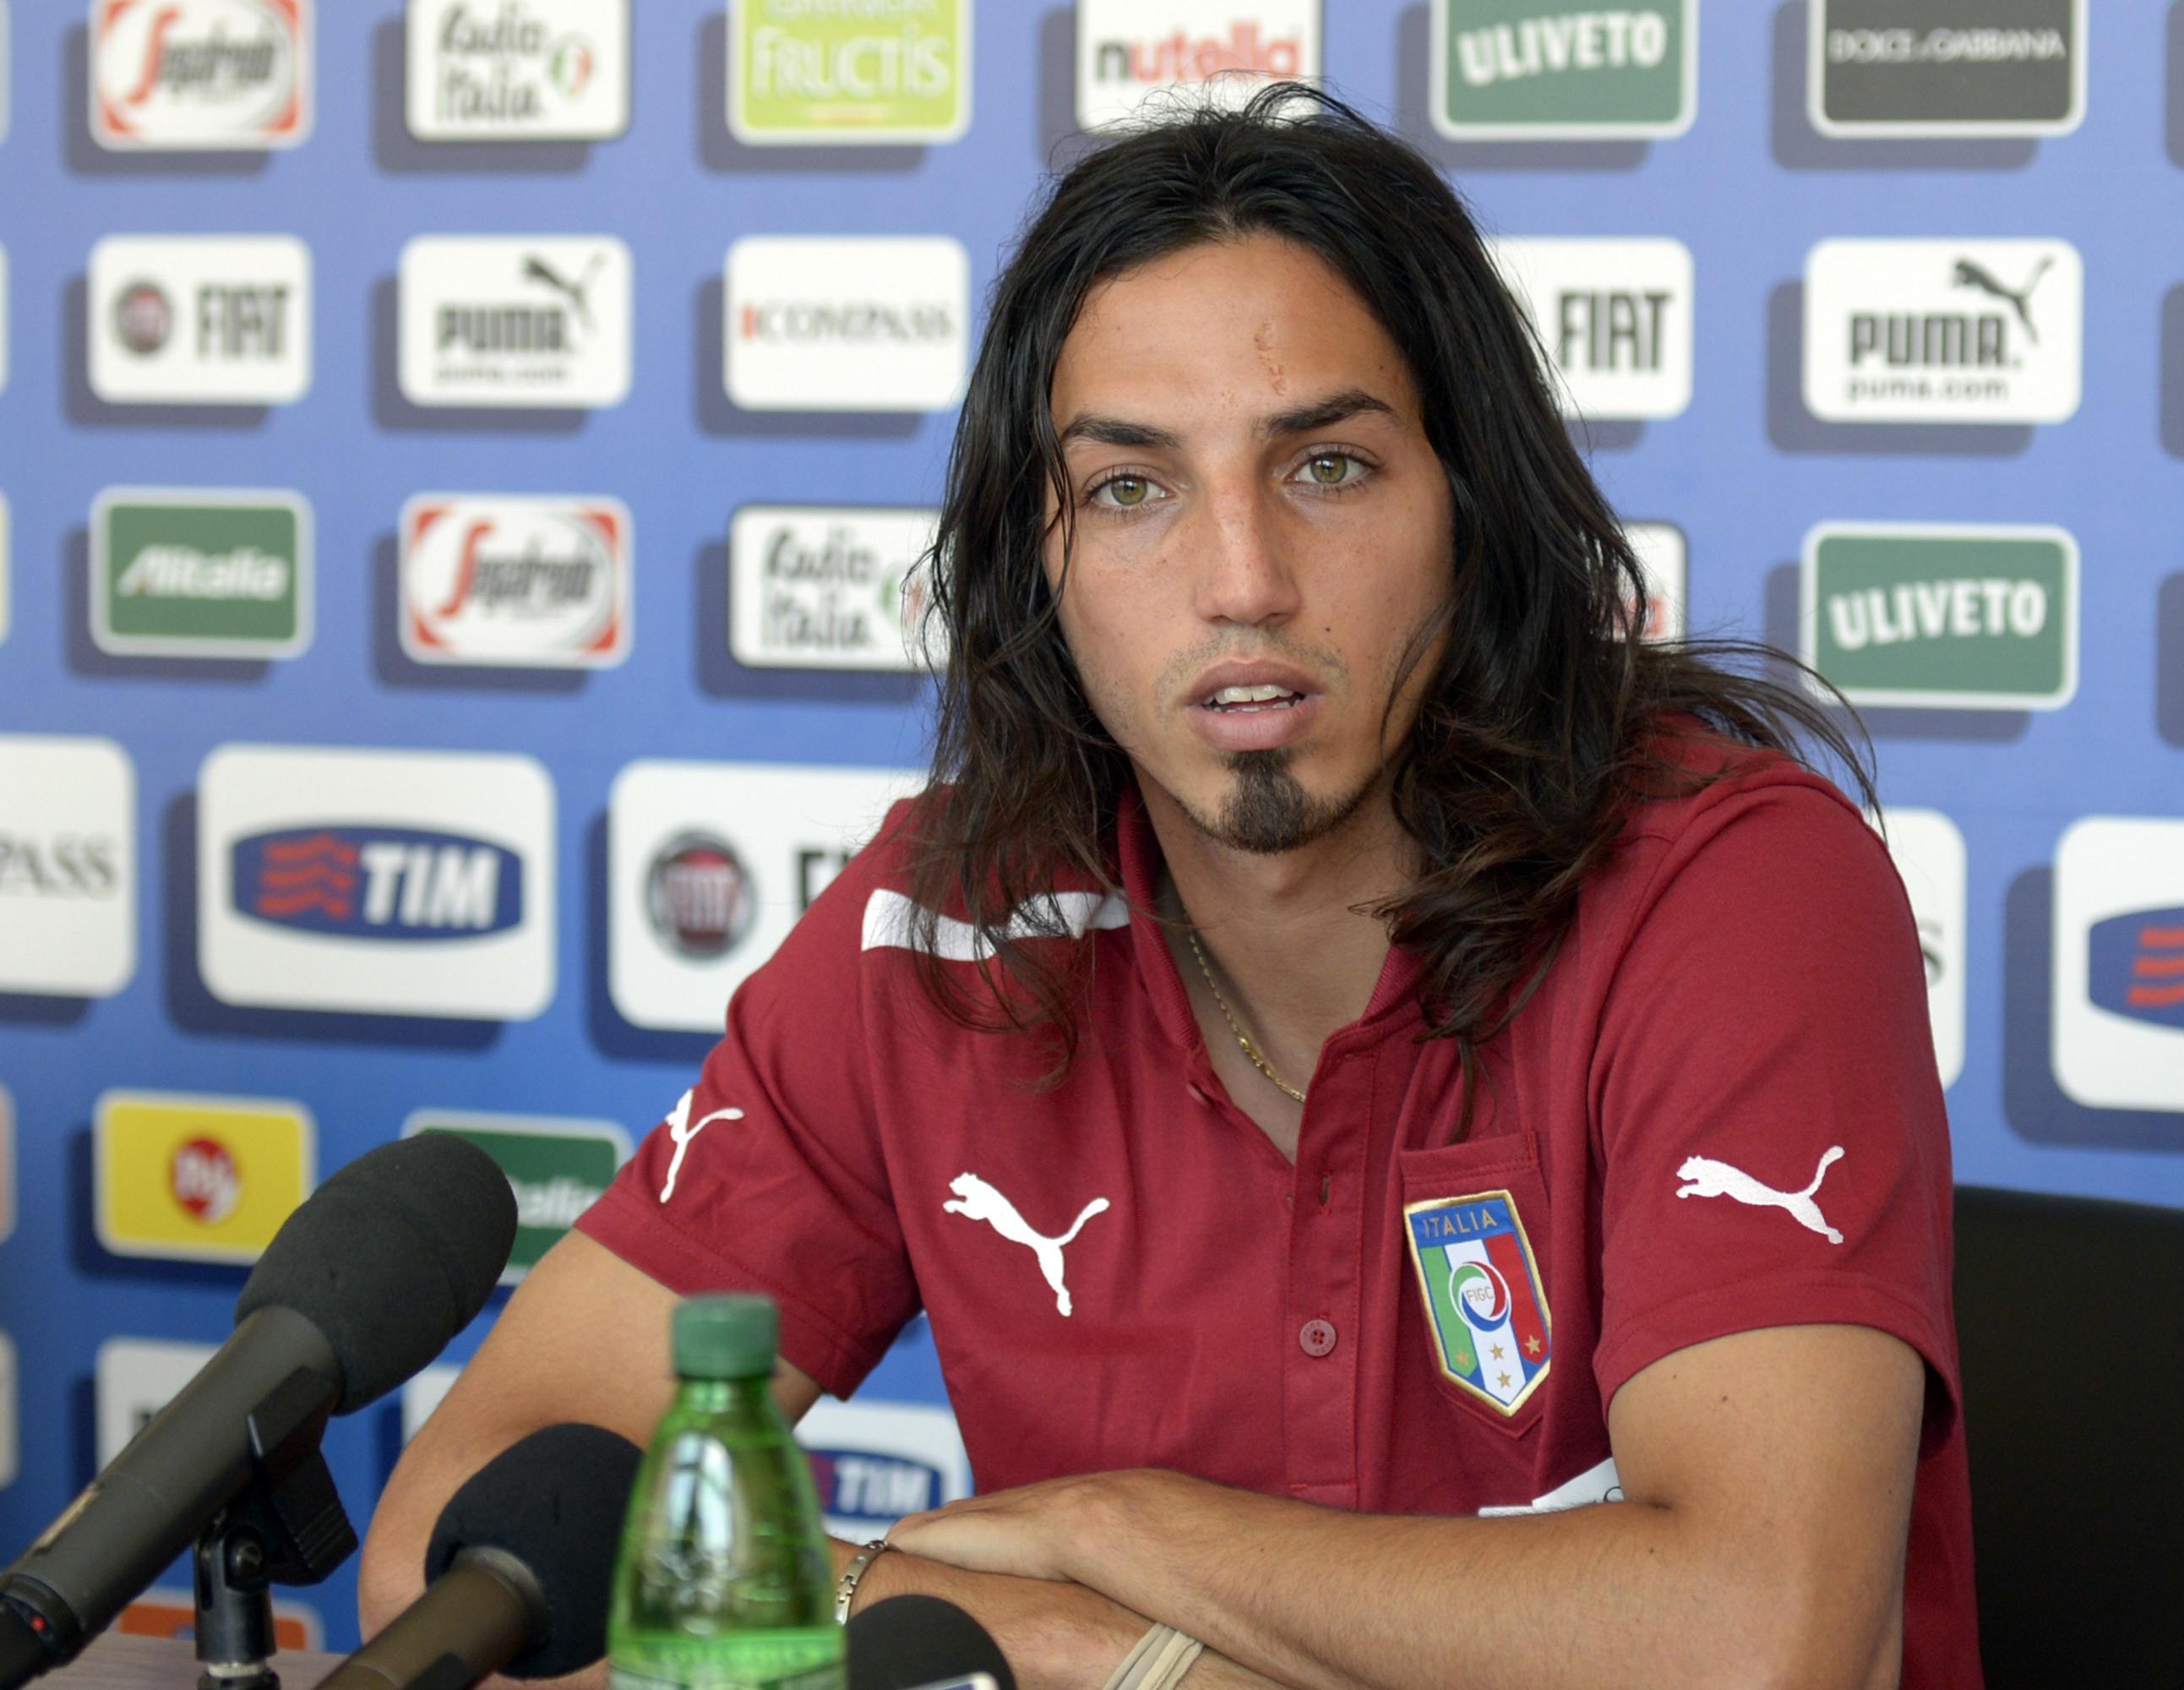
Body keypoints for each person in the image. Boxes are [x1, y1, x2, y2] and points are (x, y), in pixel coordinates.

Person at [365, 85, 1980, 1690]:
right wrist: (1045, 1634)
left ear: (1473, 514)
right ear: (1035, 570)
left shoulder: (1729, 887)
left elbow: (1766, 1645)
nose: (1243, 582)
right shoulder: (948, 928)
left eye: (1329, 467)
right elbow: (465, 1539)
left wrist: (1121, 1530)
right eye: (1131, 488)